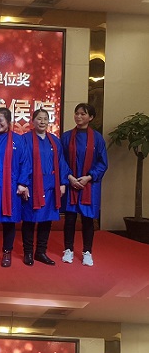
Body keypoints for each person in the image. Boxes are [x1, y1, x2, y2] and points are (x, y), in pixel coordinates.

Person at [0, 107, 31, 267]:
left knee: (9, 221)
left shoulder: (19, 140)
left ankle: (7, 252)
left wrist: (22, 183)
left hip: (12, 186)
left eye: (0, 120)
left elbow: (25, 163)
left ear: (8, 122)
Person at [61, 103, 108, 266]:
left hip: (89, 185)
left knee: (88, 220)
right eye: (77, 113)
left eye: (83, 114)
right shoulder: (66, 137)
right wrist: (70, 177)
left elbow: (102, 163)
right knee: (69, 219)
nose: (78, 116)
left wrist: (88, 177)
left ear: (91, 117)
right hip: (71, 182)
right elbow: (61, 160)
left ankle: (87, 252)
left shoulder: (97, 138)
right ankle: (68, 249)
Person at [21, 109, 69, 266]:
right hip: (31, 184)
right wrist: (23, 184)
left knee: (46, 220)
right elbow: (22, 163)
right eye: (39, 118)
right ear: (32, 121)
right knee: (29, 219)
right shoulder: (25, 139)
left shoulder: (54, 141)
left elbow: (61, 162)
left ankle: (41, 252)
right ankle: (28, 252)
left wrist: (62, 183)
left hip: (50, 186)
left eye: (45, 119)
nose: (42, 122)